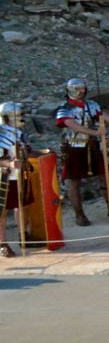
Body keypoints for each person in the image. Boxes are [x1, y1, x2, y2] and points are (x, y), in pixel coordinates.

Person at [56, 78, 109, 226]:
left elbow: (107, 118)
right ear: (70, 90)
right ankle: (79, 214)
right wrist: (95, 132)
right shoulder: (64, 108)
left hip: (93, 146)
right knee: (73, 181)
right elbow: (72, 124)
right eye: (78, 89)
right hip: (74, 147)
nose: (82, 91)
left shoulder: (92, 105)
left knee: (104, 177)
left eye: (83, 88)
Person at [1, 101, 33, 257]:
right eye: (19, 114)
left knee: (23, 206)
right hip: (3, 177)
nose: (22, 117)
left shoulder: (21, 133)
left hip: (21, 175)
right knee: (2, 212)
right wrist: (9, 162)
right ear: (8, 117)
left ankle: (23, 235)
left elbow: (27, 151)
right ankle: (2, 244)